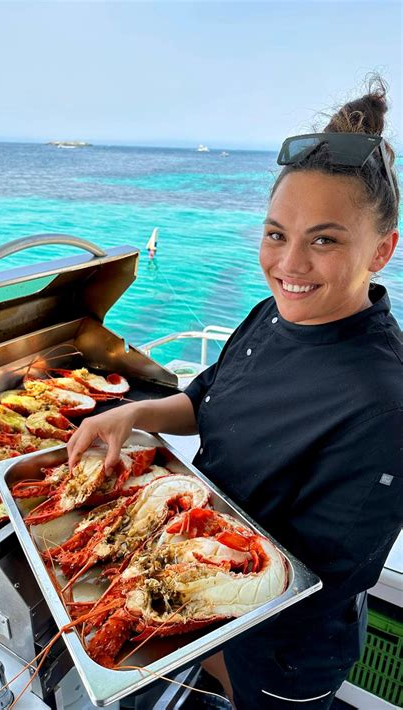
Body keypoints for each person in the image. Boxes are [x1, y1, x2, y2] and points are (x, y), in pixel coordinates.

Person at [67, 78, 402, 710]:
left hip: (285, 646)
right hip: (196, 584)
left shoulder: (386, 403)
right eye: (277, 234)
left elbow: (329, 576)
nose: (290, 264)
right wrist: (133, 412)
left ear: (382, 250)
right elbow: (205, 400)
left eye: (324, 239)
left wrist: (190, 604)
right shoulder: (272, 315)